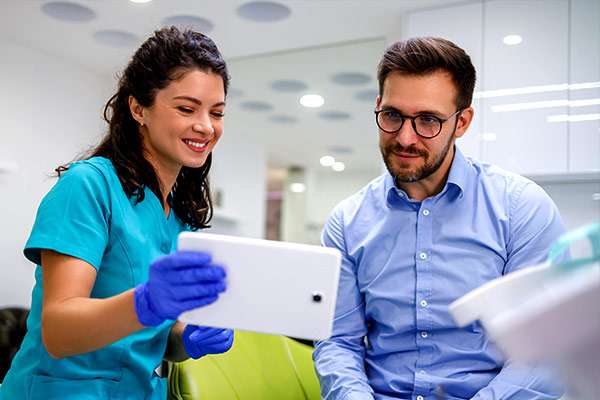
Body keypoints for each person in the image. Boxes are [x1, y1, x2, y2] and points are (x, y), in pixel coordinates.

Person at [313, 37, 566, 400]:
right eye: (392, 115)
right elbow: (338, 342)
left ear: (462, 121)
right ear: (378, 106)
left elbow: (544, 348)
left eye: (428, 120)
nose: (405, 137)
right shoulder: (347, 222)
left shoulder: (521, 208)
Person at [0, 27, 235, 400]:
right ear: (138, 108)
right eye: (186, 108)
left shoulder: (181, 215)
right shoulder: (88, 186)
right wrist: (146, 302)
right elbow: (59, 331)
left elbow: (150, 341)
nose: (206, 126)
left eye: (217, 112)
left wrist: (186, 339)